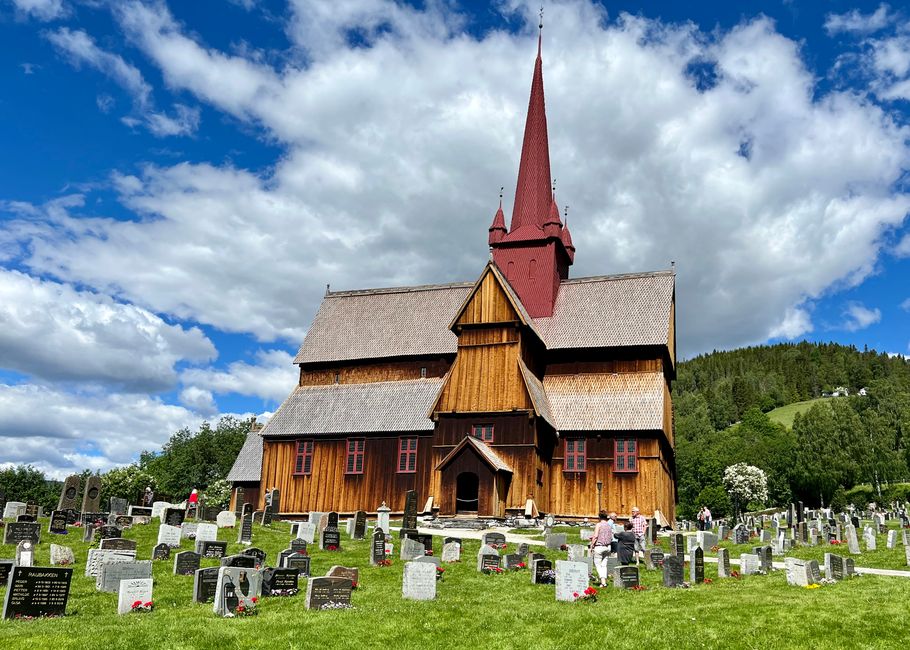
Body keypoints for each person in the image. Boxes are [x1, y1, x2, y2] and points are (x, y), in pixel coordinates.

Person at [589, 511, 615, 587]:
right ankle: (604, 582)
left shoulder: (599, 525)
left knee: (598, 564)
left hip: (599, 547)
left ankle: (603, 581)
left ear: (599, 517)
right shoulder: (609, 525)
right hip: (608, 547)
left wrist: (591, 545)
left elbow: (596, 536)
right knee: (604, 565)